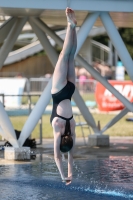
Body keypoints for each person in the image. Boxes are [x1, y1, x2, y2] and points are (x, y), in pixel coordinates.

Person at [50, 7, 77, 185]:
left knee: (71, 56)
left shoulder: (72, 128)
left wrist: (70, 174)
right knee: (63, 55)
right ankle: (70, 25)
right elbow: (57, 157)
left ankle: (73, 28)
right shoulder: (58, 129)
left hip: (70, 90)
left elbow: (70, 157)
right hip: (59, 91)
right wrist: (61, 176)